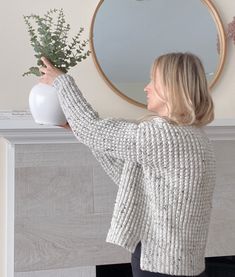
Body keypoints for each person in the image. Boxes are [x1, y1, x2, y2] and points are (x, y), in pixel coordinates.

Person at [39, 52, 216, 277]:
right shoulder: (193, 136)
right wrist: (82, 132)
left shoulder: (164, 136)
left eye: (153, 80)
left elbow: (92, 129)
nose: (146, 87)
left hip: (160, 267)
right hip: (176, 262)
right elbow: (129, 178)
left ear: (172, 86)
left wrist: (61, 81)